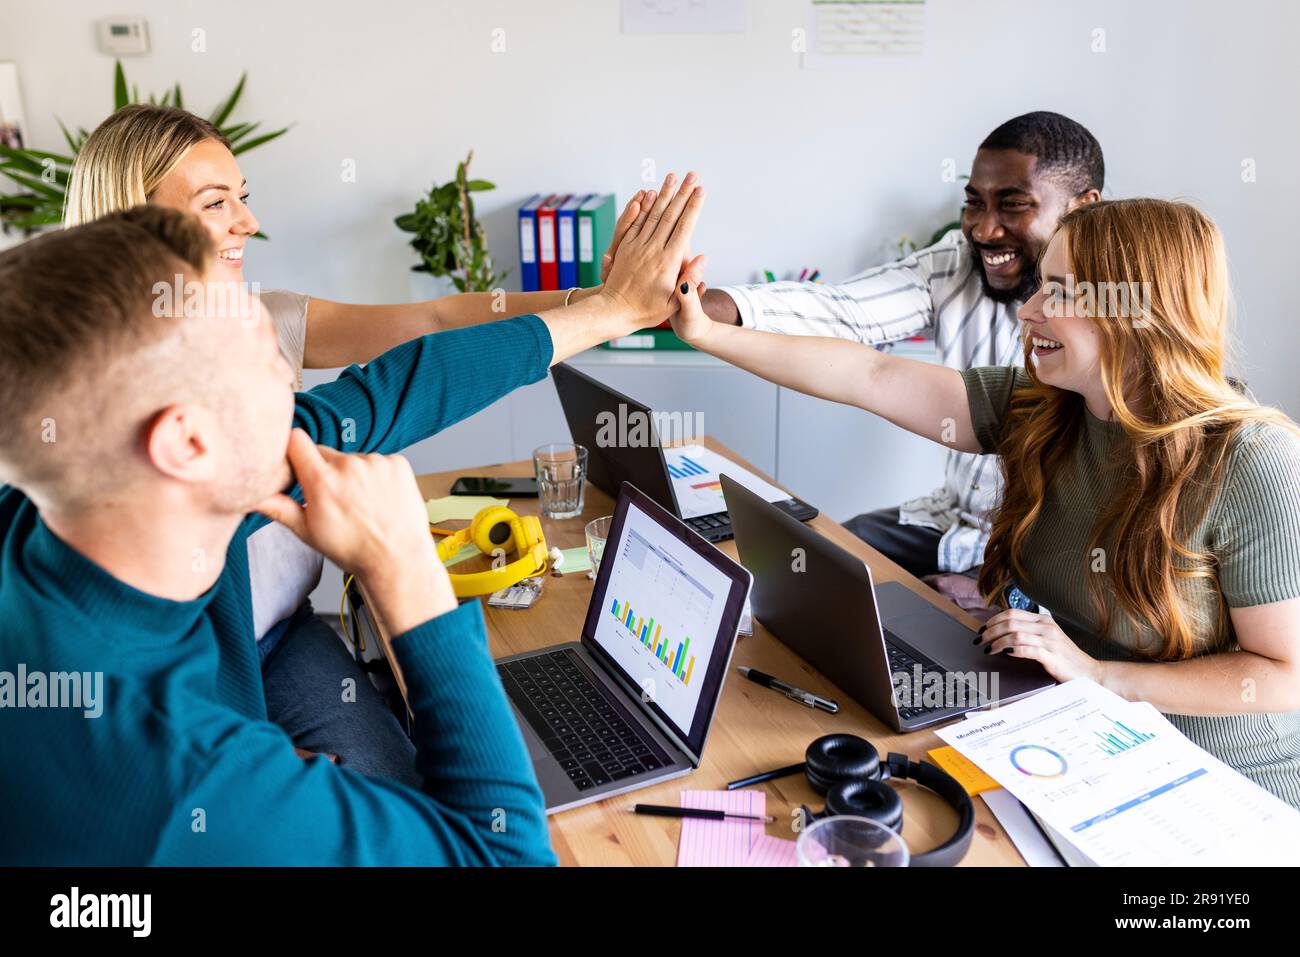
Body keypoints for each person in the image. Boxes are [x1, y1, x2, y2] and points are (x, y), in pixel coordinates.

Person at [0, 173, 706, 862]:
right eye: (260, 349)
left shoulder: (54, 510)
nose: (289, 372)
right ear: (186, 442)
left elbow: (381, 396)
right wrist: (406, 575)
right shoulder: (185, 785)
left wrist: (608, 310)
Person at [63, 103, 658, 781]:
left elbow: (431, 323)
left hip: (281, 636)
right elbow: (386, 395)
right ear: (131, 226)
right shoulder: (112, 405)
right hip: (181, 684)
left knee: (395, 784)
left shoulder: (260, 317)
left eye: (244, 197)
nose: (247, 222)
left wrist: (600, 304)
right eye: (214, 202)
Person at [669, 198, 1300, 807]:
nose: (1028, 310)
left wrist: (1101, 675)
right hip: (1059, 726)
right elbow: (870, 376)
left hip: (1207, 782)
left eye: (1060, 292)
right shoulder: (1050, 406)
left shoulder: (1253, 460)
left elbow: (1284, 673)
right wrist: (704, 331)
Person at [699, 112, 1104, 616]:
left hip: (1045, 557)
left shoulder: (1120, 320)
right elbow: (848, 324)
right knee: (809, 567)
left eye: (1013, 205)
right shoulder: (956, 263)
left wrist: (1005, 594)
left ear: (1083, 208)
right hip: (952, 521)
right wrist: (692, 311)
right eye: (973, 204)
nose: (983, 229)